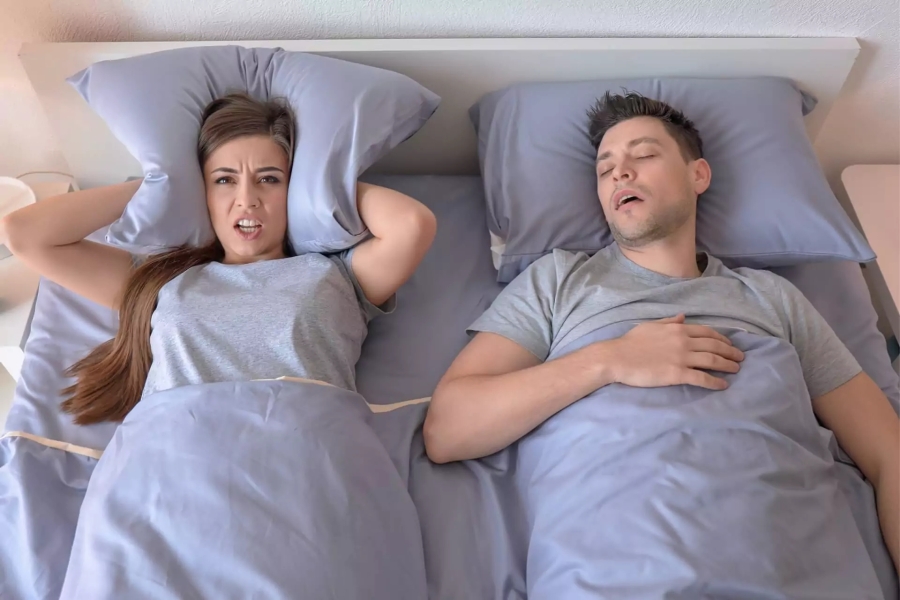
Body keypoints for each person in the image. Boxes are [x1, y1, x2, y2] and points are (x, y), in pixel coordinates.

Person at [423, 92, 899, 570]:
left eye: (644, 155)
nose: (620, 173)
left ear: (699, 175)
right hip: (619, 570)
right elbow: (448, 430)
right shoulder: (558, 281)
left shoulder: (771, 296)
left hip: (796, 561)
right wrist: (609, 359)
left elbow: (888, 453)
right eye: (605, 169)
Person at [0, 93, 436, 425]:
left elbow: (412, 225)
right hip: (176, 452)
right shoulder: (161, 280)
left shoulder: (336, 276)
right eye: (224, 180)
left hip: (300, 451)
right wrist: (163, 184)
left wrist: (317, 181)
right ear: (201, 191)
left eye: (269, 179)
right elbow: (25, 234)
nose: (247, 200)